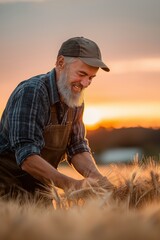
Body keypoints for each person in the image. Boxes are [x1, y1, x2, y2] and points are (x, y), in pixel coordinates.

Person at [0, 36, 111, 199]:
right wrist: (71, 185)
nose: (86, 83)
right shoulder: (32, 92)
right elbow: (27, 156)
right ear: (60, 63)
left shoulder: (76, 99)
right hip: (5, 187)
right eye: (82, 74)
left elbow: (77, 146)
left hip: (41, 188)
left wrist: (97, 179)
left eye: (91, 78)